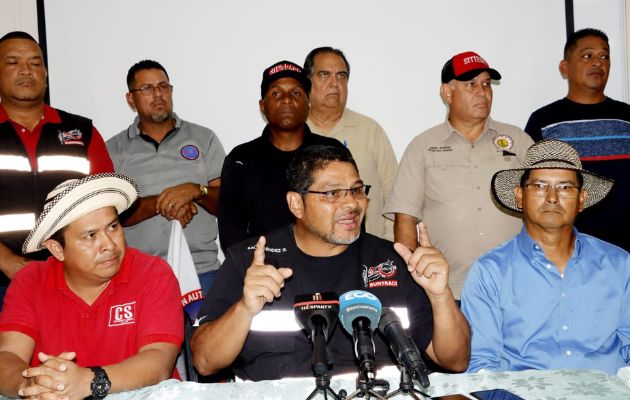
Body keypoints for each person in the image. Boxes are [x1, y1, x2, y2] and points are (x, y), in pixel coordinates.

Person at [191, 144, 470, 381]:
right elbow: (204, 361)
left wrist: (440, 295)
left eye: (357, 190)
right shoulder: (250, 261)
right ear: (296, 204)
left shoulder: (394, 261)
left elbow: (455, 361)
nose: (352, 204)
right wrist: (244, 309)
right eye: (332, 193)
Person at [0, 173, 183, 399]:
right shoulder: (29, 281)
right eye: (90, 236)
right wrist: (34, 384)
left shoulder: (153, 273)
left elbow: (158, 362)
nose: (109, 244)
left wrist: (90, 381)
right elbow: (7, 356)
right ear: (57, 249)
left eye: (113, 227)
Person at [461, 140, 630, 374]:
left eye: (565, 187)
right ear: (520, 196)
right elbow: (481, 365)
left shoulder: (620, 265)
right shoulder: (490, 271)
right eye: (540, 186)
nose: (552, 197)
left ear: (582, 199)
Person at [384, 51, 533, 298]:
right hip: (449, 290)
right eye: (471, 84)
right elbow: (405, 219)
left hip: (516, 287)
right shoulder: (423, 146)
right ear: (447, 93)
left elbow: (544, 203)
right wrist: (412, 283)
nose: (482, 92)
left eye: (486, 84)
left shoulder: (518, 140)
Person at [0, 31, 113, 309]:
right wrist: (8, 262)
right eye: (13, 62)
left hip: (72, 279)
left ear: (46, 74)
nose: (27, 70)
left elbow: (104, 206)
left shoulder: (81, 131)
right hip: (3, 281)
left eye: (36, 63)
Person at [107, 60, 225, 294]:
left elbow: (227, 202)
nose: (158, 94)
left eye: (163, 87)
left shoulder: (204, 138)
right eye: (147, 89)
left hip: (204, 272)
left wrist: (196, 191)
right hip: (142, 277)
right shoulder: (114, 149)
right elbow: (111, 215)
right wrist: (166, 203)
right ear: (131, 99)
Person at [218, 60, 345, 252]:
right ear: (262, 105)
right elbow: (231, 234)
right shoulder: (241, 159)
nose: (286, 100)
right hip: (262, 271)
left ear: (308, 102)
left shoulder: (332, 153)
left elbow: (348, 216)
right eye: (276, 93)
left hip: (327, 268)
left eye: (296, 93)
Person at [525, 28, 630, 252]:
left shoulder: (626, 117)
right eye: (587, 55)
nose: (597, 63)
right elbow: (531, 189)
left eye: (604, 56)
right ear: (565, 67)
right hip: (569, 249)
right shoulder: (544, 121)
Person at [304, 47, 398, 240]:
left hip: (368, 254)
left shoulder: (370, 130)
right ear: (307, 81)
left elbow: (395, 196)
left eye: (341, 76)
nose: (334, 83)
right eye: (324, 74)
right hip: (307, 256)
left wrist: (388, 246)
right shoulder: (294, 133)